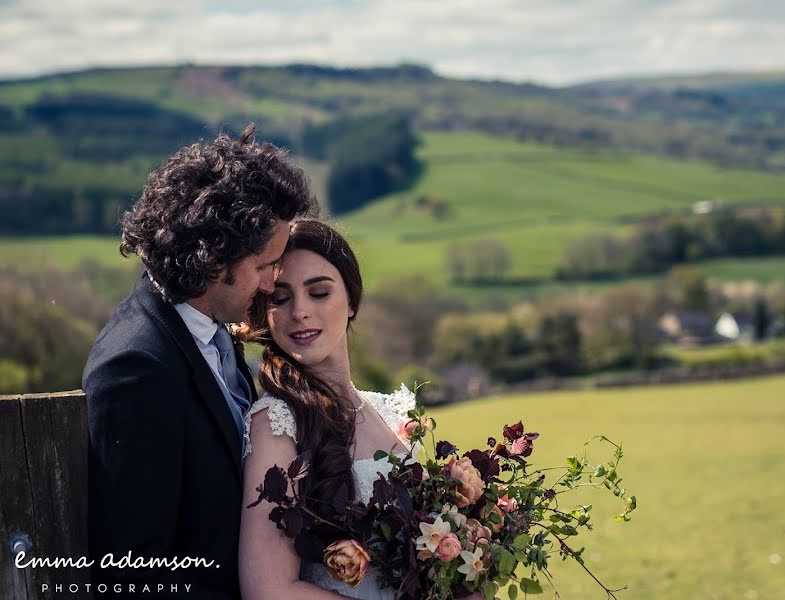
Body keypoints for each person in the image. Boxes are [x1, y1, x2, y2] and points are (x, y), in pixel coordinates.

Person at [83, 124, 315, 598]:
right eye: (264, 266)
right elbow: (133, 573)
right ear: (213, 261)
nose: (272, 284)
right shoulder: (135, 368)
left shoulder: (209, 330)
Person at [237, 220, 484, 600]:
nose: (300, 311)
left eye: (319, 292)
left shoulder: (393, 411)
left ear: (351, 300)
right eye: (281, 299)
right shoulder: (276, 422)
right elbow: (268, 589)